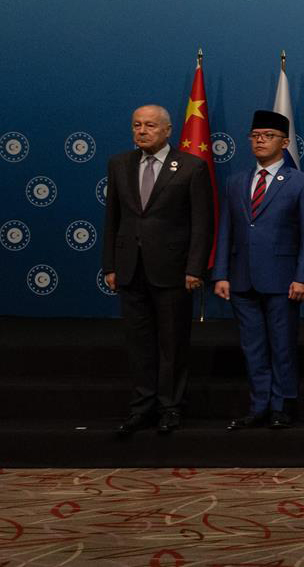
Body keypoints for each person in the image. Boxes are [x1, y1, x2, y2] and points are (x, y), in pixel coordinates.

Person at [103, 105, 214, 435]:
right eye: (137, 125)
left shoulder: (191, 166)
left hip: (173, 270)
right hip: (130, 269)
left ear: (168, 130)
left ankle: (170, 406)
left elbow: (202, 223)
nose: (142, 131)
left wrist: (195, 268)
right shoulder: (119, 164)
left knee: (172, 342)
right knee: (139, 343)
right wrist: (110, 265)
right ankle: (142, 407)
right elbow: (112, 218)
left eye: (150, 125)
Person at [213, 110, 304, 431]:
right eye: (255, 136)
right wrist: (221, 274)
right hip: (242, 278)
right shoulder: (236, 182)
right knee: (253, 346)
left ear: (284, 142)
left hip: (283, 279)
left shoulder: (301, 183)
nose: (260, 141)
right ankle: (259, 405)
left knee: (282, 345)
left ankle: (282, 405)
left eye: (268, 136)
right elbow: (226, 230)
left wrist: (302, 277)